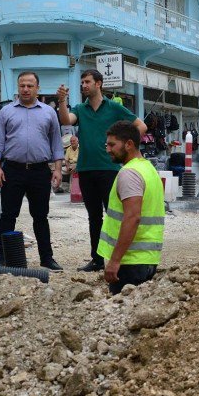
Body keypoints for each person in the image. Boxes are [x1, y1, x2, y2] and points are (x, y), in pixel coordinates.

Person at [55, 70, 146, 272]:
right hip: (86, 170)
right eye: (82, 82)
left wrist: (126, 147)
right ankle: (97, 260)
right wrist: (62, 101)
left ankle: (119, 258)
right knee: (93, 217)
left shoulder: (114, 108)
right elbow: (65, 120)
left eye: (87, 82)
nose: (84, 85)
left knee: (114, 215)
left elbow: (141, 126)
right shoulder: (80, 108)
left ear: (99, 84)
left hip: (110, 170)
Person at [0, 71, 64, 271]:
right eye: (22, 85)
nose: (26, 89)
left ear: (37, 88)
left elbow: (56, 142)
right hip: (12, 170)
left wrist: (57, 168)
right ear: (18, 87)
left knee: (41, 216)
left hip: (40, 171)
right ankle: (1, 258)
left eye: (30, 85)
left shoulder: (49, 112)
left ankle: (46, 258)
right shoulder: (6, 112)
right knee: (8, 215)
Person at [96, 121, 165, 295]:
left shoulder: (129, 174)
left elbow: (132, 217)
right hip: (146, 260)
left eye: (112, 145)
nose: (108, 149)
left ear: (129, 144)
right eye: (107, 144)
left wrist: (114, 261)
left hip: (130, 263)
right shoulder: (147, 168)